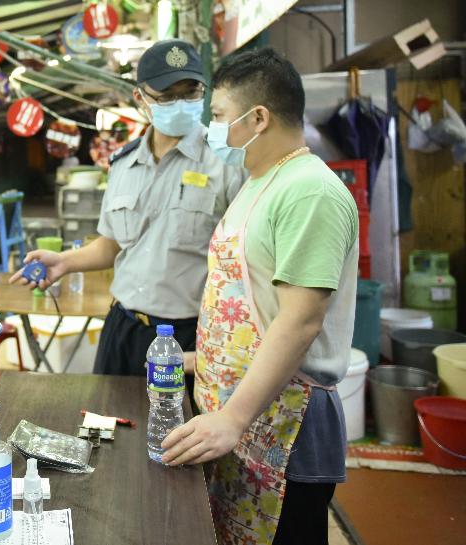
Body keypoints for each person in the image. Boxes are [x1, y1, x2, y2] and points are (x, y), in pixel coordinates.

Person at [161, 48, 358, 545]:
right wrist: (201, 358)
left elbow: (300, 320)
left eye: (221, 117)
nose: (214, 130)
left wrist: (233, 416)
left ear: (259, 117)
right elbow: (251, 299)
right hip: (240, 411)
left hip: (283, 421)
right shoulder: (260, 182)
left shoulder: (309, 190)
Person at [10, 39, 245, 379]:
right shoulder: (123, 164)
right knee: (109, 425)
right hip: (122, 328)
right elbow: (112, 243)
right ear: (141, 99)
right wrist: (64, 262)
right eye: (166, 96)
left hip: (189, 336)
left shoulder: (226, 162)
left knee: (177, 429)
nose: (180, 104)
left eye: (190, 92)